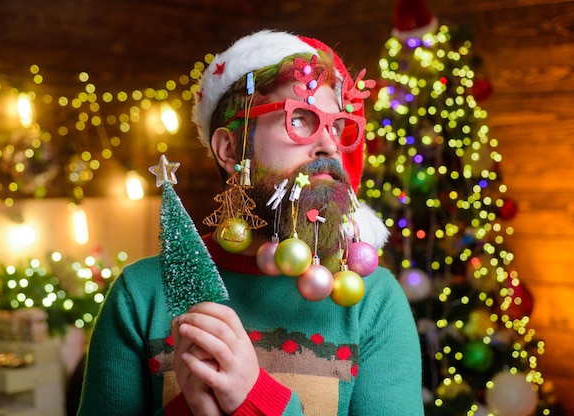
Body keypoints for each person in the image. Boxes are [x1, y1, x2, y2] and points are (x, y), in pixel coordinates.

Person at [77, 29, 423, 415]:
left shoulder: (372, 300)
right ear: (229, 149)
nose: (329, 145)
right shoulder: (140, 296)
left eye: (338, 127)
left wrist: (254, 399)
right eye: (302, 119)